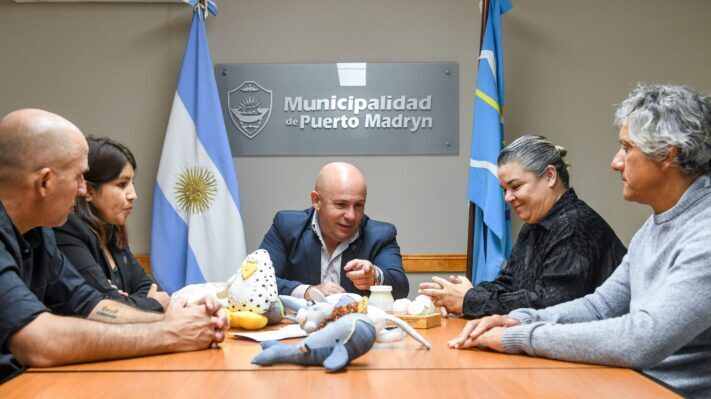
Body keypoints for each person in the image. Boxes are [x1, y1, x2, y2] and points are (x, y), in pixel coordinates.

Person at [448, 84, 711, 399]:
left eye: (627, 147)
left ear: (670, 153)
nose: (616, 162)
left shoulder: (705, 233)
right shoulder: (653, 227)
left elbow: (641, 340)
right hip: (630, 383)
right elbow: (600, 306)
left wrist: (518, 337)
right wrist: (517, 318)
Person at [0, 109, 227, 384]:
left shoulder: (39, 233)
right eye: (79, 178)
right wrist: (170, 334)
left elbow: (89, 304)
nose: (84, 191)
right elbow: (37, 340)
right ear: (44, 182)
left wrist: (180, 320)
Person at [420, 135, 626, 318]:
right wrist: (458, 296)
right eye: (504, 190)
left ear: (550, 176)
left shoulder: (575, 224)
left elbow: (550, 305)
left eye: (516, 186)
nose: (508, 198)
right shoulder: (534, 225)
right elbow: (508, 283)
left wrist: (470, 300)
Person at [259, 162, 408, 300]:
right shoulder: (287, 227)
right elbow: (259, 281)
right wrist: (308, 292)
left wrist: (374, 277)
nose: (351, 216)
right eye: (341, 205)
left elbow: (401, 288)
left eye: (358, 205)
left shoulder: (380, 235)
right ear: (316, 200)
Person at [53, 137, 169, 312]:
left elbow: (145, 286)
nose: (133, 195)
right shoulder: (68, 229)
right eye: (122, 184)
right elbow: (103, 308)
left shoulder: (111, 229)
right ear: (89, 191)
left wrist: (125, 301)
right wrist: (151, 304)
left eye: (132, 183)